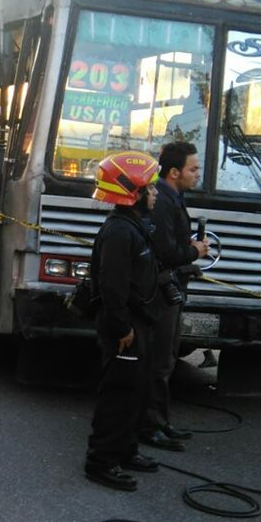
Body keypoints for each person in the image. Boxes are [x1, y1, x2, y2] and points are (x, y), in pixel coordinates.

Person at [85, 152, 162, 492]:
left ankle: (126, 451)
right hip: (124, 328)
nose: (157, 193)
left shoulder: (134, 227)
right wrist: (122, 329)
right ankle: (101, 462)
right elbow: (112, 287)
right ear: (134, 190)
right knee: (118, 395)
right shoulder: (119, 232)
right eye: (153, 187)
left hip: (138, 324)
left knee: (135, 391)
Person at [141, 141, 210, 451]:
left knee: (167, 360)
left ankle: (160, 421)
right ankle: (149, 426)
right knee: (158, 362)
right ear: (174, 172)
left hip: (173, 290)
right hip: (160, 293)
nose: (197, 174)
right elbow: (166, 252)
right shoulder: (163, 201)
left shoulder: (173, 197)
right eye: (193, 169)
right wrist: (194, 251)